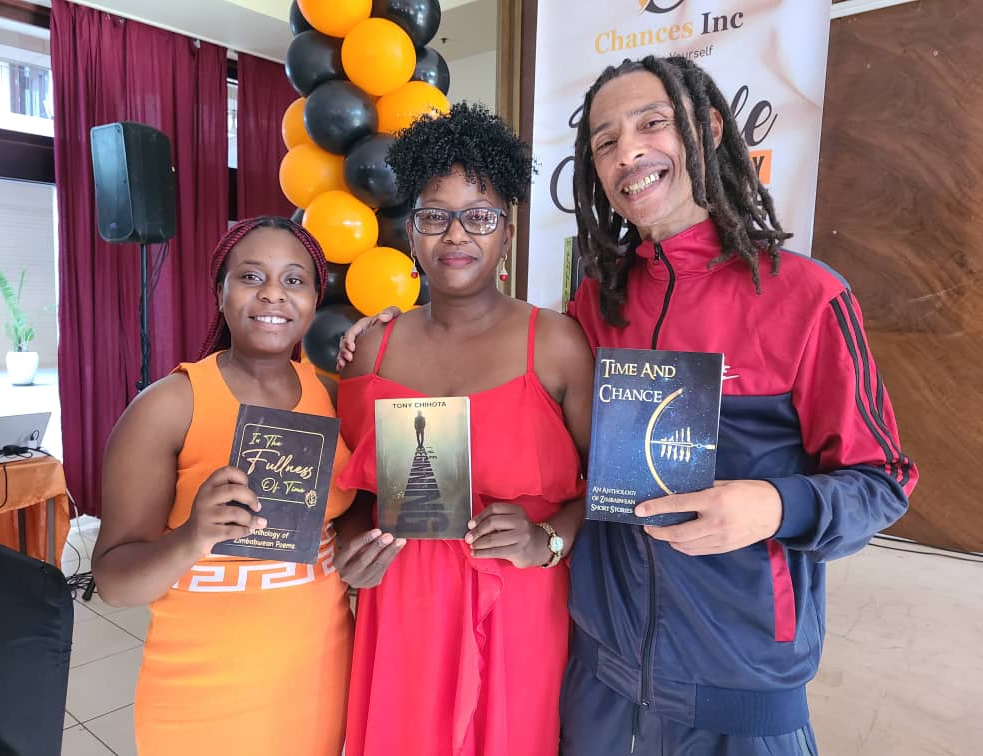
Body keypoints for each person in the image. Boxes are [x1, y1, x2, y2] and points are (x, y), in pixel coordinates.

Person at [340, 57, 918, 755]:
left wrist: (772, 505)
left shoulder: (806, 297)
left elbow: (882, 482)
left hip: (739, 677)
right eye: (605, 141)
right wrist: (386, 329)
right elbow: (550, 440)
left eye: (651, 124)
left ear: (707, 129)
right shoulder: (598, 303)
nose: (628, 154)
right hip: (599, 670)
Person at [333, 102, 593, 756]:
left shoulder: (556, 344)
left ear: (508, 233)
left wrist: (547, 542)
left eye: (479, 216)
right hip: (404, 604)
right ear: (410, 232)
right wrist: (355, 547)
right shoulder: (371, 351)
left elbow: (609, 487)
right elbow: (355, 493)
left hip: (520, 601)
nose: (455, 235)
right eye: (434, 216)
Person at [92, 217, 355, 756]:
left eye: (294, 280)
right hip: (204, 697)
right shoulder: (170, 406)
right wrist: (192, 536)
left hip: (320, 680)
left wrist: (360, 546)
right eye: (251, 276)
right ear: (220, 292)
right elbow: (114, 583)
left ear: (314, 300)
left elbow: (346, 511)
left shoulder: (331, 397)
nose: (273, 294)